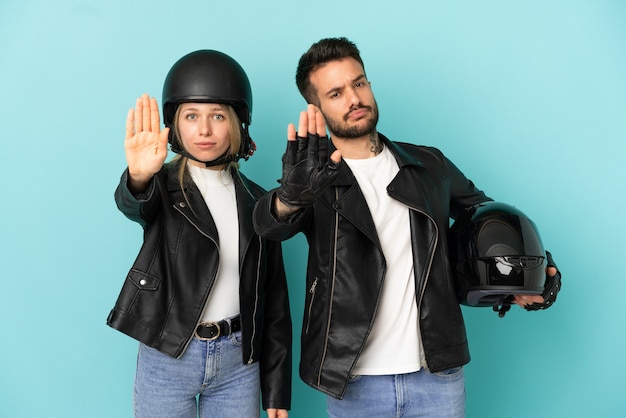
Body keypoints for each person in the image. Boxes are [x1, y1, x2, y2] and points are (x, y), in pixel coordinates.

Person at [253, 37, 561, 417]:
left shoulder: (428, 165)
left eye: (359, 83)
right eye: (336, 93)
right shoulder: (313, 180)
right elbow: (269, 226)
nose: (354, 99)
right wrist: (290, 198)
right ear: (316, 108)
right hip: (353, 380)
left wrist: (531, 271)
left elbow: (489, 217)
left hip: (437, 374)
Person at [107, 50, 292, 418]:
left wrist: (276, 392)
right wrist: (141, 177)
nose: (204, 130)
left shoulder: (259, 201)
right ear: (176, 125)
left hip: (239, 362)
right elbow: (134, 203)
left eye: (217, 116)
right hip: (169, 354)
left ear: (237, 123)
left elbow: (273, 302)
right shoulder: (161, 188)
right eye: (191, 116)